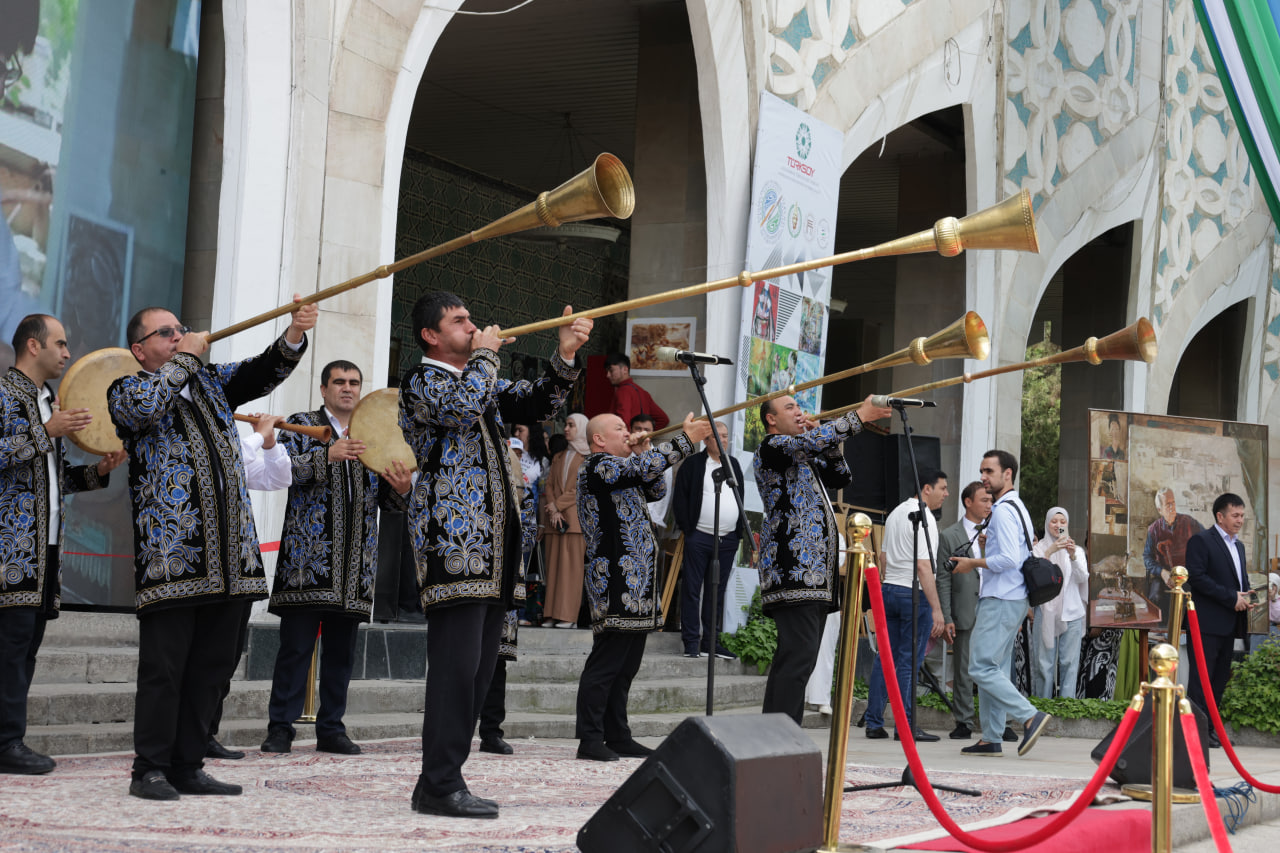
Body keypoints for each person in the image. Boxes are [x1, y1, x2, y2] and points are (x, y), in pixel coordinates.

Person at [109, 299, 316, 800]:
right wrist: (186, 358)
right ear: (140, 349)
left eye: (180, 330)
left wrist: (293, 335)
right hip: (174, 556)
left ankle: (188, 763)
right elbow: (143, 409)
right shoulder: (128, 389)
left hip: (231, 558)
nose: (178, 337)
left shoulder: (211, 382)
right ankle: (149, 768)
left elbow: (261, 372)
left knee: (212, 669)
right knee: (164, 670)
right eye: (165, 333)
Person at [399, 292, 591, 820]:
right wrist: (485, 355)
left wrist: (565, 354)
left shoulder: (481, 382)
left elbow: (538, 404)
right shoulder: (423, 380)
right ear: (431, 335)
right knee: (455, 672)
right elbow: (460, 410)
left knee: (479, 674)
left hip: (496, 552)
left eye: (471, 319)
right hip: (454, 547)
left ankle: (443, 779)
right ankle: (439, 783)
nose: (472, 326)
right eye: (459, 321)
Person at [260, 360, 411, 756]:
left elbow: (389, 501)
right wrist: (327, 455)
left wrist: (402, 488)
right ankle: (280, 728)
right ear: (324, 389)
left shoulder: (373, 430)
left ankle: (331, 728)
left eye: (354, 382)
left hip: (356, 566)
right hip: (307, 562)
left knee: (342, 654)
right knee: (295, 650)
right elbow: (282, 473)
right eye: (339, 382)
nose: (347, 388)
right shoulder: (301, 425)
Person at [0, 314, 122, 775]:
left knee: (25, 647)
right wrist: (45, 433)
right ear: (34, 346)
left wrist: (98, 472)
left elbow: (51, 480)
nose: (68, 354)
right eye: (61, 344)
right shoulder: (4, 394)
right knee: (10, 648)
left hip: (45, 548)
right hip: (10, 548)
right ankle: (6, 743)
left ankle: (9, 739)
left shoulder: (48, 400)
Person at [573, 412, 711, 762]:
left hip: (638, 583)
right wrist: (685, 439)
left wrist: (644, 451)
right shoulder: (597, 466)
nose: (628, 432)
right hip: (614, 580)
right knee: (606, 664)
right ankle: (590, 738)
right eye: (620, 428)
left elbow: (656, 488)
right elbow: (640, 470)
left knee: (626, 666)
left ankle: (618, 735)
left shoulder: (627, 468)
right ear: (599, 439)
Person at [753, 393, 892, 725]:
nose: (798, 412)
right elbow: (808, 444)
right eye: (789, 408)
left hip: (815, 575)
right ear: (771, 419)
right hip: (792, 570)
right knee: (797, 658)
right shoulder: (773, 447)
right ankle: (780, 733)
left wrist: (825, 440)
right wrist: (858, 416)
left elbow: (841, 477)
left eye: (798, 407)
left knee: (801, 659)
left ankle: (780, 730)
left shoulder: (802, 453)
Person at [949, 450, 1052, 758]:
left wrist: (972, 563)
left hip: (1001, 598)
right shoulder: (1016, 507)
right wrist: (987, 549)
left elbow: (1008, 559)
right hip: (1013, 597)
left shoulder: (1004, 511)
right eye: (982, 471)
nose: (983, 477)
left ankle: (1029, 716)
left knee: (980, 666)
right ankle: (991, 737)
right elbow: (1016, 553)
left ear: (1007, 474)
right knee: (994, 668)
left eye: (989, 471)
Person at [207, 412, 294, 762]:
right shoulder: (205, 442)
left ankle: (205, 732)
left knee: (224, 658)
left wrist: (270, 442)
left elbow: (278, 477)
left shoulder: (237, 443)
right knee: (200, 657)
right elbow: (224, 461)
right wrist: (259, 435)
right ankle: (184, 732)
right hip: (202, 567)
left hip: (240, 565)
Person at [864, 468, 949, 742]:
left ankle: (874, 722)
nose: (946, 494)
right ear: (927, 489)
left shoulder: (895, 513)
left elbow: (883, 557)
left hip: (889, 588)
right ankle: (905, 725)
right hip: (913, 593)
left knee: (885, 657)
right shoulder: (925, 517)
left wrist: (891, 582)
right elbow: (924, 566)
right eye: (943, 488)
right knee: (909, 661)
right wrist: (937, 608)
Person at [476, 440, 540, 756]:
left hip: (505, 588)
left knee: (497, 664)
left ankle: (491, 731)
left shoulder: (522, 499)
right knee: (462, 661)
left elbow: (527, 537)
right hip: (473, 582)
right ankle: (452, 728)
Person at [1185, 492, 1254, 747]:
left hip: (1229, 624)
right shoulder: (1201, 541)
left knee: (1219, 680)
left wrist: (1248, 595)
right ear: (1220, 516)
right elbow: (1197, 578)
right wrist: (1230, 597)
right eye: (1235, 515)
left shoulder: (1239, 546)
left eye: (1242, 515)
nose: (1240, 520)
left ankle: (1211, 730)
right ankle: (1195, 733)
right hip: (1205, 624)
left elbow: (1239, 580)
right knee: (1201, 680)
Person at [673, 420, 745, 659]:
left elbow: (739, 497)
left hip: (727, 540)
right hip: (699, 536)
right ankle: (691, 642)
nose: (723, 440)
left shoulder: (733, 464)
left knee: (717, 591)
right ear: (706, 440)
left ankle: (711, 642)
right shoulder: (694, 464)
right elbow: (680, 498)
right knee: (692, 589)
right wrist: (688, 529)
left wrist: (737, 533)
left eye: (725, 436)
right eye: (718, 436)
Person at [935, 481, 992, 739]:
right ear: (968, 502)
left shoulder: (996, 532)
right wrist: (947, 616)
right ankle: (964, 721)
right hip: (964, 609)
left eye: (990, 501)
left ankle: (998, 722)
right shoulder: (950, 535)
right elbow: (943, 579)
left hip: (993, 607)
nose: (989, 506)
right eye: (984, 500)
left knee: (995, 667)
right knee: (964, 669)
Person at [1031, 507, 1089, 699]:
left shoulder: (1077, 550)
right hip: (1045, 612)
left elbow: (1082, 578)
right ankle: (1043, 705)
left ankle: (1066, 707)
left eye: (1062, 522)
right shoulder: (1038, 549)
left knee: (1069, 664)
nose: (1058, 525)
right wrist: (1050, 551)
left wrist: (1072, 556)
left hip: (1071, 613)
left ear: (1067, 525)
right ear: (1047, 523)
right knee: (1044, 664)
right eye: (1054, 521)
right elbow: (1036, 575)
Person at [541, 413, 589, 629]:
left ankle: (568, 616)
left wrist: (557, 506)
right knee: (553, 570)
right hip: (555, 520)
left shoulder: (588, 457)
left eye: (571, 425)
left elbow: (580, 487)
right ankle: (551, 614)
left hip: (574, 521)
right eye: (566, 425)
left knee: (571, 571)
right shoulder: (558, 456)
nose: (567, 429)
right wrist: (553, 509)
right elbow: (549, 484)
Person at [1143, 487, 1203, 619]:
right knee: (1155, 598)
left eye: (1173, 503)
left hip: (1187, 576)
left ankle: (1187, 630)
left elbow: (1206, 540)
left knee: (1198, 598)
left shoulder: (1189, 522)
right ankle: (1160, 629)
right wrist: (1162, 572)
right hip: (1164, 577)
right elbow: (1147, 558)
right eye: (1168, 504)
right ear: (1160, 510)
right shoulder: (1153, 530)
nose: (1172, 507)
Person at [604, 352, 668, 430]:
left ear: (625, 369)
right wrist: (646, 433)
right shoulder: (643, 393)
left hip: (626, 437)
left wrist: (630, 436)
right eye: (607, 371)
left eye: (611, 371)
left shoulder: (623, 391)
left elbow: (623, 422)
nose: (608, 375)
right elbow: (663, 419)